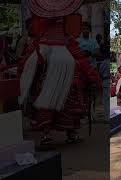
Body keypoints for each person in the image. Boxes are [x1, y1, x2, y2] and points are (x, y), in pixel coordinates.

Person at [18, 0, 99, 145]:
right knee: (70, 95)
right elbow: (72, 35)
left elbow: (34, 32)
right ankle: (70, 134)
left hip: (46, 49)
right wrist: (93, 78)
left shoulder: (38, 16)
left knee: (38, 87)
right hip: (63, 51)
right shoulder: (68, 16)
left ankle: (46, 135)